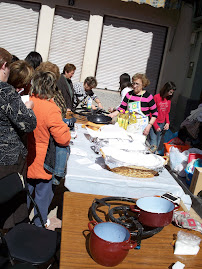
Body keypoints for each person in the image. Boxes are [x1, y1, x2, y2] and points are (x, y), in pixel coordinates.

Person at [27, 70, 71, 227]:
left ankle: (20, 224)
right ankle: (38, 226)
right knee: (42, 198)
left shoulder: (28, 101)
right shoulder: (50, 109)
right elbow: (63, 138)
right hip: (43, 162)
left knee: (25, 195)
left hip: (27, 158)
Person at [0, 47, 37, 229]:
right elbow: (28, 124)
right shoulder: (5, 92)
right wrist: (28, 109)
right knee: (8, 202)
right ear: (5, 66)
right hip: (7, 158)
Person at [149, 81, 176, 153]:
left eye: (172, 93)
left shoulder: (168, 100)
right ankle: (149, 159)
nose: (171, 94)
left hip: (162, 124)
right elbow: (151, 112)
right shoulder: (156, 97)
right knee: (153, 143)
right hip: (154, 123)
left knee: (157, 143)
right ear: (166, 89)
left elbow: (167, 113)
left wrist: (167, 123)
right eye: (170, 92)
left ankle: (153, 160)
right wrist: (155, 125)